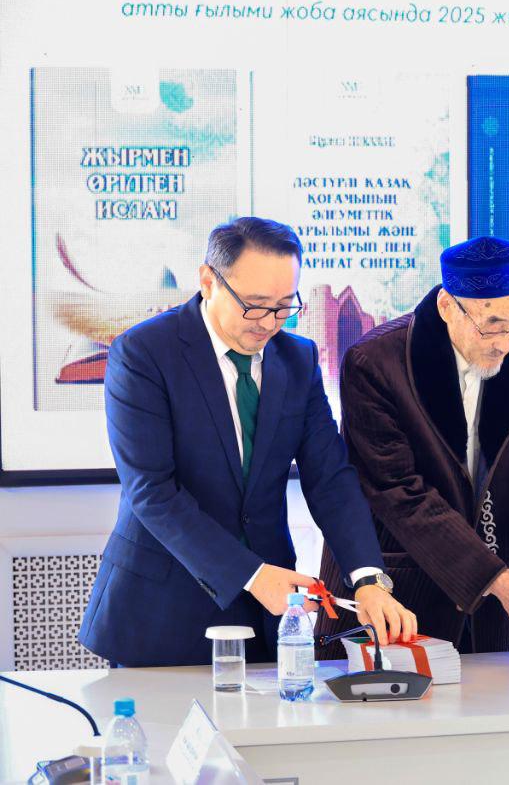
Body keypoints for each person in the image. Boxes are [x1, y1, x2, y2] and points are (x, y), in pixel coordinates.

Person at [81, 217, 415, 667]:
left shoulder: (297, 360)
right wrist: (252, 575)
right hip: (161, 610)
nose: (269, 323)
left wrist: (368, 580)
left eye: (283, 307)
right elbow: (152, 492)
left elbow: (330, 479)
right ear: (208, 282)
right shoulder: (144, 353)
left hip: (264, 616)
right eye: (254, 306)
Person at [315, 236, 509, 654]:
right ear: (447, 306)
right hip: (393, 598)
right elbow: (400, 493)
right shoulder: (376, 362)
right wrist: (496, 579)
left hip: (487, 614)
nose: (506, 341)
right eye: (491, 324)